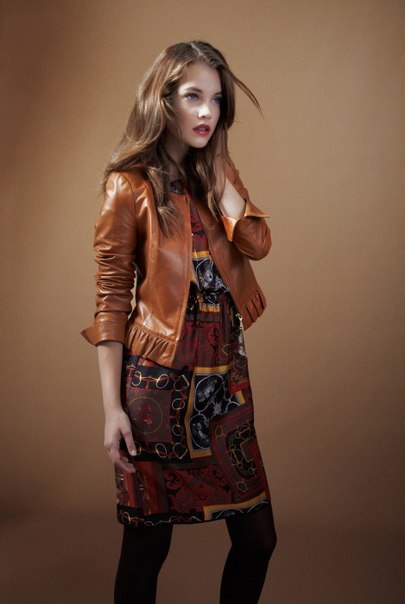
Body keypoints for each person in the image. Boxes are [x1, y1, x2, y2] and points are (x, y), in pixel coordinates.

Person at [82, 40, 277, 604]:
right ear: (163, 100)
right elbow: (110, 302)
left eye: (216, 99)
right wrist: (112, 410)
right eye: (193, 96)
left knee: (258, 538)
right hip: (157, 388)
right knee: (147, 546)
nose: (207, 111)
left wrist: (216, 174)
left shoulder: (217, 169)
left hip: (224, 384)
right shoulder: (129, 185)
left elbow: (258, 244)